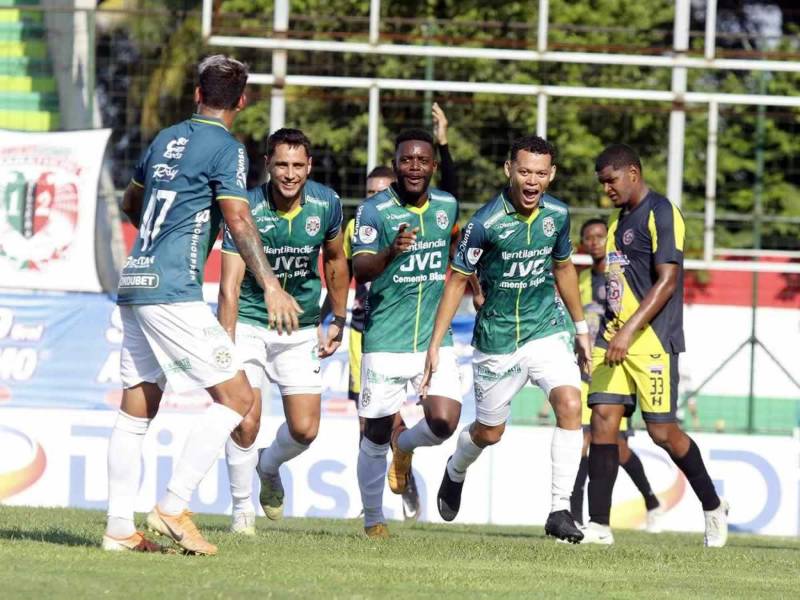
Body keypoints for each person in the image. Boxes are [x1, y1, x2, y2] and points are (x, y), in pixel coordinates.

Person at [103, 55, 300, 555]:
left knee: (136, 407)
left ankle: (119, 529)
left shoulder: (165, 138)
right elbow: (238, 218)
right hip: (172, 288)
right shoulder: (227, 149)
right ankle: (173, 505)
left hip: (136, 280)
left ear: (196, 94)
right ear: (242, 100)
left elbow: (132, 204)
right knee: (237, 399)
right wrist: (272, 285)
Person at [422, 134, 590, 544]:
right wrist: (434, 344)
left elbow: (564, 269)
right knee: (489, 432)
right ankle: (455, 469)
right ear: (509, 170)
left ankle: (559, 509)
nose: (532, 181)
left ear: (551, 175)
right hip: (497, 340)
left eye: (540, 173)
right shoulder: (485, 223)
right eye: (525, 171)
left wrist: (581, 328)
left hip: (546, 329)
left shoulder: (558, 214)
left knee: (571, 403)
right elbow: (456, 281)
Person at [582, 144, 728, 546]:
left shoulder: (662, 212)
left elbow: (668, 281)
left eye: (611, 181)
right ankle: (598, 526)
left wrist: (629, 331)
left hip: (652, 341)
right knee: (602, 422)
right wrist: (611, 329)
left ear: (632, 172)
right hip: (612, 339)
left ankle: (713, 506)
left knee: (662, 432)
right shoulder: (618, 221)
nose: (606, 189)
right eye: (602, 183)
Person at [219, 128, 349, 535]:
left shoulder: (326, 203)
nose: (290, 174)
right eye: (281, 165)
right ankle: (242, 512)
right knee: (245, 421)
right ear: (267, 166)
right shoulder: (245, 208)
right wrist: (226, 341)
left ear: (309, 166)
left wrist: (338, 318)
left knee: (305, 430)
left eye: (297, 165)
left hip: (301, 327)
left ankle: (268, 465)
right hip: (252, 324)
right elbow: (229, 285)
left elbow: (335, 262)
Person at [351, 129, 463, 539]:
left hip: (435, 338)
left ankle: (407, 445)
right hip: (385, 338)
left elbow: (459, 254)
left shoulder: (447, 206)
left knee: (445, 420)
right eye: (406, 160)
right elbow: (360, 268)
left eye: (422, 160)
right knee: (375, 431)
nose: (414, 167)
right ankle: (372, 519)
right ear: (396, 164)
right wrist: (390, 252)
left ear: (432, 165)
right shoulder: (374, 211)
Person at [569, 218, 663, 531]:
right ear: (583, 243)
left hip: (614, 370)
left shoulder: (620, 279)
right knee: (580, 443)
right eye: (590, 237)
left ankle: (651, 501)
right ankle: (577, 518)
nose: (596, 242)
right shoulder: (579, 280)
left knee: (619, 450)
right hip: (584, 373)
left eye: (600, 236)